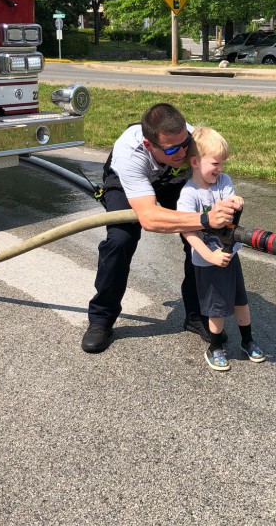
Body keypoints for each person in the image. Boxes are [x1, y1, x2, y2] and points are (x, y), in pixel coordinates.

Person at [81, 104, 240, 354]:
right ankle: (101, 319)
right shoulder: (129, 153)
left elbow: (211, 170)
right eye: (173, 149)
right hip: (126, 185)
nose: (182, 152)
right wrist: (207, 218)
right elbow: (150, 219)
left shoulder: (189, 140)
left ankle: (197, 315)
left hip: (170, 181)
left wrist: (220, 206)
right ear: (149, 145)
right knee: (121, 239)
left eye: (185, 144)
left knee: (201, 238)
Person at [177, 127, 264, 371]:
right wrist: (208, 255)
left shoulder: (223, 182)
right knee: (216, 309)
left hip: (230, 256)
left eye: (223, 163)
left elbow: (228, 206)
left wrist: (234, 203)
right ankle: (215, 346)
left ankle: (248, 340)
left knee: (240, 301)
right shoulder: (188, 194)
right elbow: (187, 231)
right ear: (195, 162)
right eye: (215, 163)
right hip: (208, 261)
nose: (220, 169)